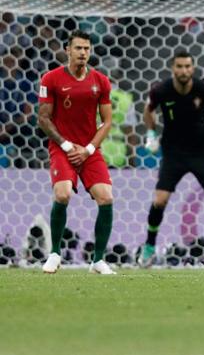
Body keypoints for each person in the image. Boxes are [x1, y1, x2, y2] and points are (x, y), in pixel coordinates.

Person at [138, 50, 204, 267]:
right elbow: (148, 110)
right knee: (160, 200)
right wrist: (151, 133)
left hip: (200, 151)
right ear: (173, 68)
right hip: (173, 152)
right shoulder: (161, 90)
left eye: (187, 66)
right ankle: (149, 246)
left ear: (193, 68)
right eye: (179, 66)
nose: (184, 70)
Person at [38, 30, 116, 275]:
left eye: (87, 49)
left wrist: (89, 149)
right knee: (62, 195)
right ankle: (55, 253)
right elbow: (43, 119)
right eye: (78, 48)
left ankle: (98, 260)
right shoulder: (50, 79)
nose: (83, 53)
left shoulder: (101, 81)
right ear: (67, 50)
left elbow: (107, 121)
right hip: (63, 148)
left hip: (89, 150)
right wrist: (66, 145)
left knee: (106, 197)